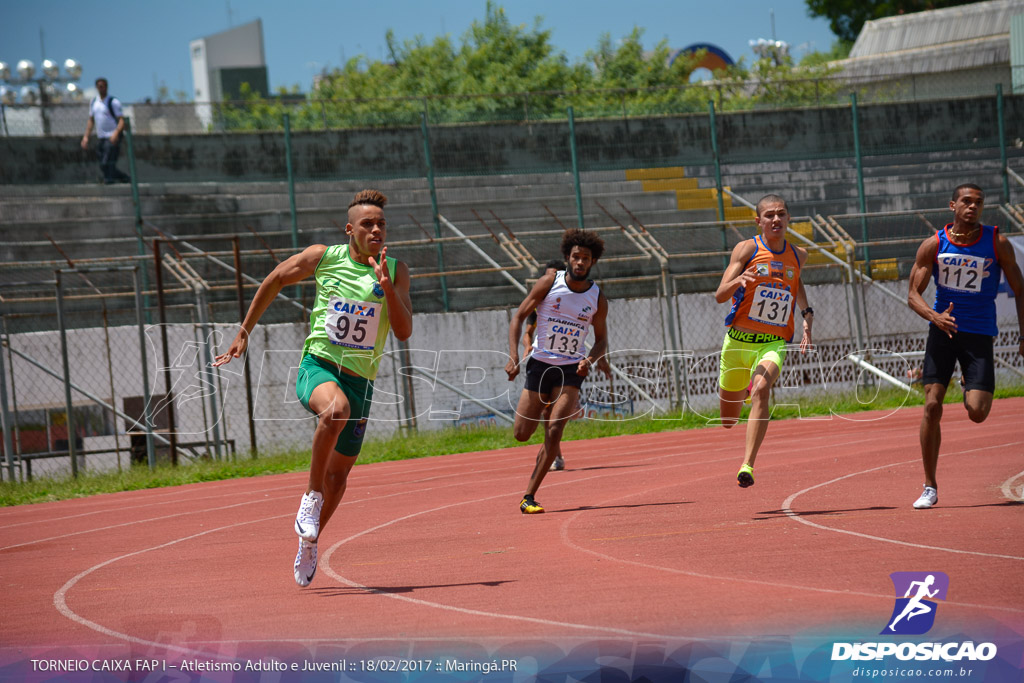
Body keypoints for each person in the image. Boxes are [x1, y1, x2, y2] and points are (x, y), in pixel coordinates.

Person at [213, 190, 413, 585]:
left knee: (339, 479)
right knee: (334, 411)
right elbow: (274, 279)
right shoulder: (324, 257)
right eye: (367, 224)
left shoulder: (396, 269)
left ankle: (309, 540)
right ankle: (309, 496)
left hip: (362, 381)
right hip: (319, 366)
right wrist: (244, 330)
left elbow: (404, 332)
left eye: (381, 224)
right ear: (349, 229)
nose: (376, 229)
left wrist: (387, 287)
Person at [906, 183, 1024, 509]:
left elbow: (1020, 288)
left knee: (978, 413)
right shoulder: (934, 244)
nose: (972, 207)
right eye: (966, 202)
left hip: (979, 335)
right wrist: (935, 316)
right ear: (952, 205)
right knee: (932, 406)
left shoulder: (996, 242)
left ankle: (966, 384)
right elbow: (912, 295)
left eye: (978, 202)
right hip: (942, 331)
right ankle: (929, 485)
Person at [506, 229, 609, 513]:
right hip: (540, 365)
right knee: (521, 433)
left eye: (585, 258)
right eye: (576, 257)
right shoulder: (550, 283)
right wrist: (514, 356)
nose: (580, 262)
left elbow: (601, 340)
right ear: (568, 257)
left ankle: (529, 496)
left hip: (570, 371)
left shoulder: (597, 297)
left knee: (554, 429)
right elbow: (518, 316)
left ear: (592, 262)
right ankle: (532, 482)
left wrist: (589, 360)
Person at [714, 194, 812, 488]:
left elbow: (796, 281)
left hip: (772, 343)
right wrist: (740, 279)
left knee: (761, 389)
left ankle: (747, 465)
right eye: (769, 215)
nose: (776, 220)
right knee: (728, 420)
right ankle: (742, 390)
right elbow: (719, 295)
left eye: (781, 214)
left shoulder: (799, 255)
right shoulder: (747, 249)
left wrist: (807, 315)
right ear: (759, 221)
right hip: (736, 344)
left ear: (788, 218)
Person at [80, 78, 131, 184]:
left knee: (108, 162)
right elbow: (91, 120)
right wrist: (86, 137)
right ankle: (124, 178)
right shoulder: (94, 102)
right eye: (99, 86)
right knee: (103, 164)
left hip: (112, 136)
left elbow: (121, 120)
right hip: (101, 137)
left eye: (103, 86)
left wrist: (116, 134)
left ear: (106, 87)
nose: (101, 88)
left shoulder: (113, 102)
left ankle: (109, 182)